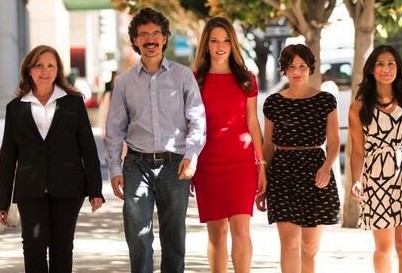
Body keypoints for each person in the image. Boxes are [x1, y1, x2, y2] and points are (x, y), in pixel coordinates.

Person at [105, 7, 206, 273]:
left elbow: (197, 120)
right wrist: (115, 169)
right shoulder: (124, 82)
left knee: (174, 239)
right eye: (143, 35)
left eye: (155, 34)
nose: (150, 40)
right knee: (138, 238)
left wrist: (191, 156)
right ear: (135, 40)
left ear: (164, 38)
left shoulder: (183, 76)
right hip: (137, 165)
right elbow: (114, 129)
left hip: (175, 165)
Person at [0, 44, 104, 273]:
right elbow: (7, 159)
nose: (44, 71)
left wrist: (95, 189)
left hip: (68, 188)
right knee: (33, 248)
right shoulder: (15, 109)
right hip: (30, 190)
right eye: (38, 66)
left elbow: (87, 148)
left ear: (58, 70)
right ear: (29, 70)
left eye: (50, 66)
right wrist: (2, 201)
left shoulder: (74, 103)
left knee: (62, 248)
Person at [256, 44, 341, 273]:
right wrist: (262, 178)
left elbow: (334, 142)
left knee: (310, 246)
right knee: (289, 242)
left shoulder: (326, 101)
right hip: (283, 173)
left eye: (302, 66)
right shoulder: (273, 103)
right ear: (284, 69)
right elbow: (267, 144)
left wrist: (326, 167)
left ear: (310, 68)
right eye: (291, 66)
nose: (297, 71)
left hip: (316, 171)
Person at [192, 17, 266, 273]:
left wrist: (262, 164)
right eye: (214, 41)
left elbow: (253, 124)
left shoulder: (247, 79)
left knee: (241, 229)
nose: (220, 46)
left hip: (242, 163)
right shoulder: (194, 79)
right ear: (206, 45)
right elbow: (189, 125)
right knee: (217, 233)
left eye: (225, 40)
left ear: (233, 44)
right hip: (208, 164)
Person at [349, 44, 402, 273]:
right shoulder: (359, 108)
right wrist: (356, 179)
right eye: (380, 64)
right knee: (384, 248)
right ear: (371, 70)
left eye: (391, 63)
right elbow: (357, 151)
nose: (386, 69)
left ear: (398, 68)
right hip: (377, 178)